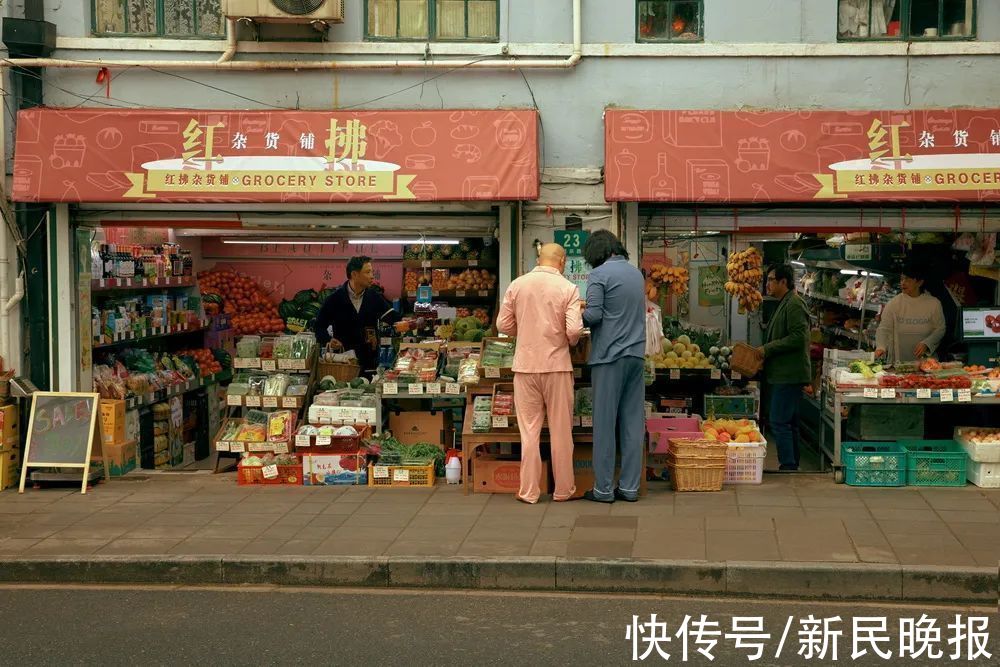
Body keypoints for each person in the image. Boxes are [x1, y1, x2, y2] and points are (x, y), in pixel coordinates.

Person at [496, 243, 584, 504]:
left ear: (538, 258)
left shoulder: (517, 284)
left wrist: (524, 333)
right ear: (563, 261)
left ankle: (529, 491)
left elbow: (503, 324)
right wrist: (569, 341)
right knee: (560, 431)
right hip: (556, 366)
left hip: (525, 367)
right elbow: (574, 331)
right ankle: (563, 490)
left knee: (529, 431)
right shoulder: (568, 288)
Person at [579, 230, 647, 503]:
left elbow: (594, 315)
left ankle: (603, 489)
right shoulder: (635, 274)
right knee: (632, 424)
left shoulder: (599, 275)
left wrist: (572, 313)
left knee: (605, 425)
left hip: (609, 357)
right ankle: (630, 488)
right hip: (636, 355)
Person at [759, 263, 811, 471]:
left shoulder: (794, 304)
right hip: (783, 373)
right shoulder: (784, 302)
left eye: (771, 279)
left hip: (789, 374)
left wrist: (767, 348)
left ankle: (788, 465)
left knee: (779, 421)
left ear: (784, 281)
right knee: (788, 422)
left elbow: (799, 337)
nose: (767, 284)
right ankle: (792, 463)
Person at [314, 256, 399, 374]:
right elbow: (319, 326)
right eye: (368, 272)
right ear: (354, 274)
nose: (372, 276)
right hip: (345, 364)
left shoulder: (374, 297)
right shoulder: (334, 300)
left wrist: (410, 323)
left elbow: (392, 318)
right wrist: (328, 340)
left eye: (372, 272)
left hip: (370, 362)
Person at [874, 261, 947, 365]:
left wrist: (927, 343)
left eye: (907, 279)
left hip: (926, 365)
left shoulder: (934, 304)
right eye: (902, 279)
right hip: (898, 364)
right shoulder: (894, 303)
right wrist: (881, 347)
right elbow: (884, 328)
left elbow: (940, 329)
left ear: (920, 282)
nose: (903, 283)